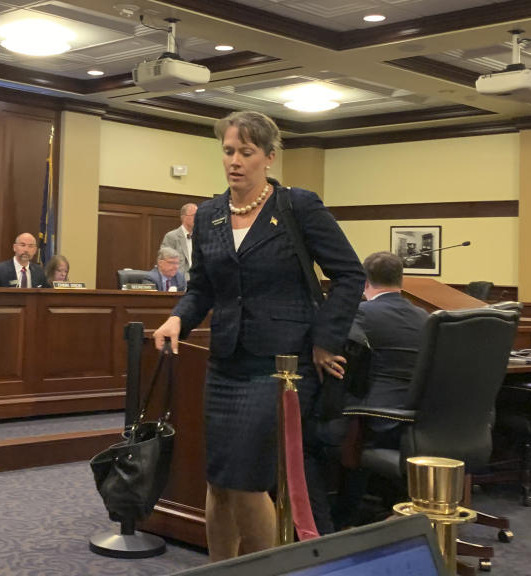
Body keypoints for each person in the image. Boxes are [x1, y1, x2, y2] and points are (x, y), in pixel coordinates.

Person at [153, 111, 364, 560]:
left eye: (246, 152)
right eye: (228, 151)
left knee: (248, 482)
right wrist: (178, 319)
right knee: (218, 480)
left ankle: (265, 571)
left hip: (280, 367)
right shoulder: (209, 213)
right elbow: (203, 287)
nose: (235, 161)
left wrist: (326, 339)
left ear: (268, 157)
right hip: (226, 363)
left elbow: (349, 274)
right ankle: (220, 570)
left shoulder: (297, 206)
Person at [321, 251, 429, 528]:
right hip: (422, 416)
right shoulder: (425, 316)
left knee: (323, 425)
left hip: (375, 415)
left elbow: (341, 354)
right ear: (401, 279)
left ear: (365, 281)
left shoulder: (362, 313)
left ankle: (340, 515)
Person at [161, 203, 197, 280]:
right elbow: (166, 264)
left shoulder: (200, 237)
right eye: (194, 215)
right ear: (184, 217)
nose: (197, 218)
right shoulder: (171, 237)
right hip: (179, 282)